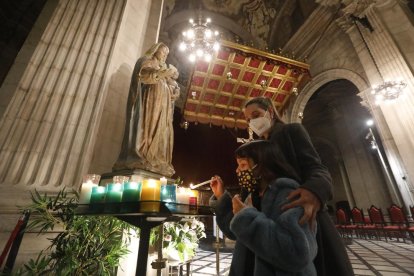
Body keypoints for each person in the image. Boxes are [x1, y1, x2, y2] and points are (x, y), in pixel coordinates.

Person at [243, 96, 353, 275]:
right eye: (248, 120)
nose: (252, 122)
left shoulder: (291, 131)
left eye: (256, 115)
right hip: (269, 224)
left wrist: (313, 191)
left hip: (300, 216)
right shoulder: (257, 149)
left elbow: (317, 168)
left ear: (270, 112)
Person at [210, 140, 318, 276]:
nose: (237, 171)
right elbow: (236, 232)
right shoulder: (254, 196)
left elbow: (298, 253)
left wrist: (245, 216)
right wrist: (221, 196)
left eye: (243, 165)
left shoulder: (289, 194)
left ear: (261, 166)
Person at [114, 42, 179, 176]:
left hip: (163, 106)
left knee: (160, 130)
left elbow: (171, 87)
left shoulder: (163, 68)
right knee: (147, 129)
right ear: (155, 51)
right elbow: (143, 76)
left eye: (167, 54)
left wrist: (175, 90)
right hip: (150, 102)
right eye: (162, 52)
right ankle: (143, 156)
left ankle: (156, 158)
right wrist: (161, 73)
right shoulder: (146, 61)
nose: (164, 55)